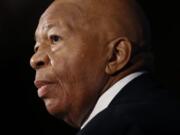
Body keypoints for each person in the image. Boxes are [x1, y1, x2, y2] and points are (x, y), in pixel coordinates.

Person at [30, 0, 180, 134]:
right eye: (37, 47)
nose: (34, 60)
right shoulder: (162, 111)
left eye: (55, 38)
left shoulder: (120, 126)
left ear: (116, 55)